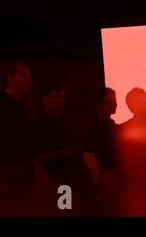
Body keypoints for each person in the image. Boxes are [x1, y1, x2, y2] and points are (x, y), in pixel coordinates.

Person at [30, 81, 96, 215]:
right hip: (55, 176)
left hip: (73, 176)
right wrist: (60, 154)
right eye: (55, 97)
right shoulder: (37, 126)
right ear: (45, 98)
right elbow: (36, 156)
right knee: (65, 209)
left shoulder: (67, 123)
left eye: (61, 96)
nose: (59, 101)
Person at [0, 60, 34, 215]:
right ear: (10, 77)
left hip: (21, 171)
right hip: (6, 171)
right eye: (24, 75)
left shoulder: (21, 108)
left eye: (29, 76)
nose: (29, 80)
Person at [82, 87, 119, 214]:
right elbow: (89, 155)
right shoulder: (95, 129)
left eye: (115, 100)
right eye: (110, 101)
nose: (115, 104)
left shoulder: (112, 126)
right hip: (106, 178)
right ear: (98, 104)